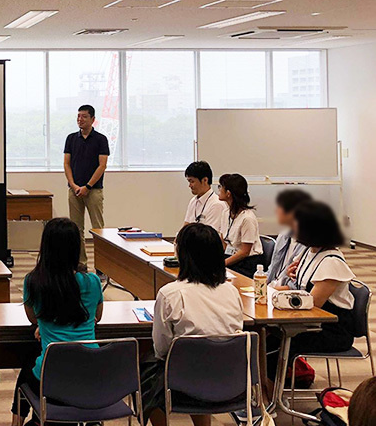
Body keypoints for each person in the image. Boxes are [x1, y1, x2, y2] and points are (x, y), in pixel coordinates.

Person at [141, 223, 244, 426]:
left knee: (146, 368)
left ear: (182, 255)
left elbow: (161, 349)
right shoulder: (232, 291)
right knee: (199, 359)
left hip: (184, 384)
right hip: (231, 382)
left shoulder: (170, 294)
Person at [11, 218, 103, 426]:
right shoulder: (93, 282)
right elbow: (96, 316)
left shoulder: (33, 282)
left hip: (51, 377)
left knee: (29, 367)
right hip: (92, 376)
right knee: (33, 361)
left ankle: (21, 422)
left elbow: (33, 317)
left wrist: (44, 327)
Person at [267, 201, 356, 387]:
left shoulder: (332, 262)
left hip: (331, 330)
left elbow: (312, 304)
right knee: (266, 335)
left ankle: (270, 395)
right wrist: (267, 292)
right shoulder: (310, 253)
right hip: (311, 322)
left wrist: (275, 297)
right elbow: (298, 289)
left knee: (273, 342)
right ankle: (265, 391)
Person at [63, 104, 110, 265]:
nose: (80, 119)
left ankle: (102, 266)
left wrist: (88, 186)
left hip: (93, 190)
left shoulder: (101, 139)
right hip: (74, 190)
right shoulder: (71, 138)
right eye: (78, 116)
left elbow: (102, 166)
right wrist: (73, 185)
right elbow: (66, 164)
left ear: (92, 119)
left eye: (84, 116)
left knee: (98, 229)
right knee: (76, 229)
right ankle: (80, 263)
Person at [218, 173, 264, 277]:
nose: (219, 190)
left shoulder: (247, 218)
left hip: (246, 263)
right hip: (231, 257)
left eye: (221, 187)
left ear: (228, 193)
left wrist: (222, 264)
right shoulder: (225, 213)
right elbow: (224, 242)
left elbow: (244, 252)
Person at [266, 189, 312, 286]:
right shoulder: (283, 236)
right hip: (273, 286)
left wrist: (266, 291)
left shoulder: (308, 243)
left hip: (285, 291)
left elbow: (295, 285)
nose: (276, 211)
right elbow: (272, 270)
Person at [183, 161, 228, 229]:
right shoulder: (193, 201)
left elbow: (210, 233)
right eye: (189, 181)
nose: (190, 185)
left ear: (205, 180)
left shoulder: (217, 204)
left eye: (192, 181)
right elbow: (186, 226)